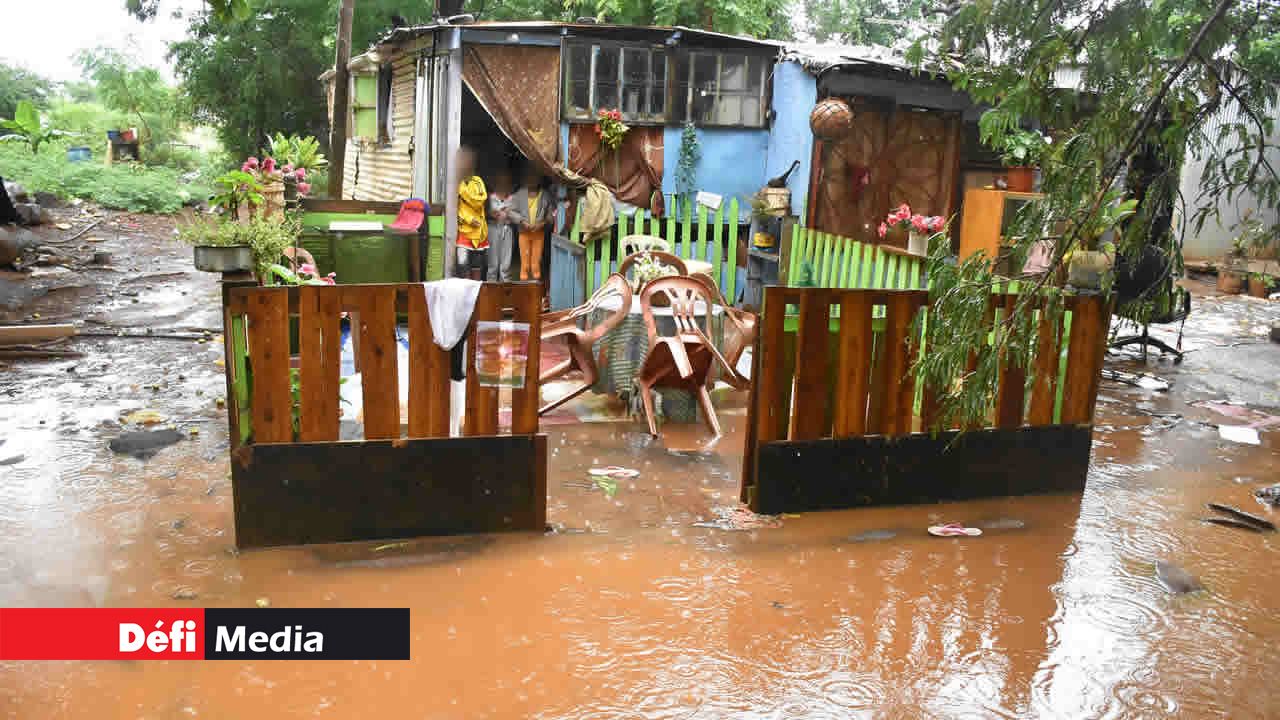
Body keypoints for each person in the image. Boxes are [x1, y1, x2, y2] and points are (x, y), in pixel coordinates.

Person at [514, 165, 555, 283]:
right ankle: (524, 285)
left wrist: (542, 223)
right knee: (525, 263)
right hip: (524, 233)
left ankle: (535, 287)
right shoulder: (519, 194)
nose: (532, 179)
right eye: (529, 177)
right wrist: (521, 221)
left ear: (540, 179)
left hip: (539, 234)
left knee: (536, 263)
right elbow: (510, 211)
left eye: (535, 177)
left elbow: (551, 214)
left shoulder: (545, 195)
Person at [485, 166, 523, 282]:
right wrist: (491, 214)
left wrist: (509, 213)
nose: (503, 182)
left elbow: (521, 218)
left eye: (506, 180)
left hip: (507, 231)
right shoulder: (489, 198)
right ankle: (490, 291)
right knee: (492, 265)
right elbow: (483, 214)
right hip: (492, 229)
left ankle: (504, 293)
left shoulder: (514, 199)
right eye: (500, 180)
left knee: (505, 266)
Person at [455, 147, 488, 279]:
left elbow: (479, 201)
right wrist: (468, 219)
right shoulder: (454, 182)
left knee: (477, 265)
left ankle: (476, 293)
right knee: (462, 265)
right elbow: (453, 208)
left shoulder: (478, 182)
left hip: (478, 231)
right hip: (463, 232)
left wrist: (463, 191)